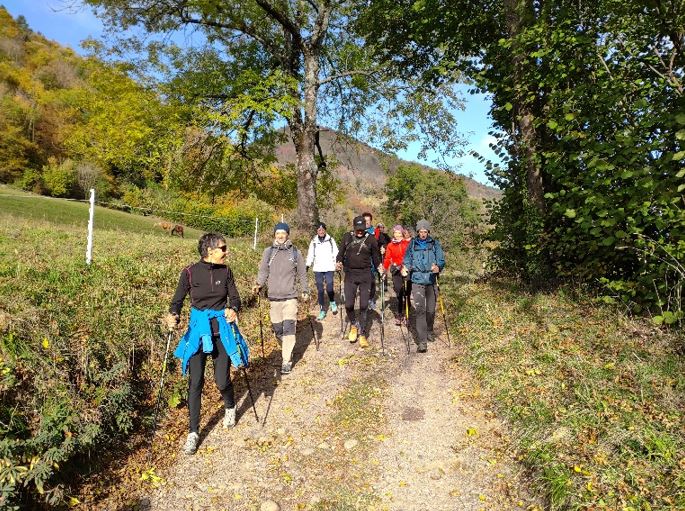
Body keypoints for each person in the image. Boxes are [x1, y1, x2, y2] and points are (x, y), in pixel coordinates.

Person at [164, 233, 242, 455]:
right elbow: (177, 301)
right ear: (210, 251)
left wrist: (233, 310)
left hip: (220, 331)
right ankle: (193, 432)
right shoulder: (189, 272)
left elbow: (235, 299)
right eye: (223, 249)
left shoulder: (226, 271)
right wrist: (173, 315)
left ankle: (229, 406)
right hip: (198, 331)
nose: (227, 252)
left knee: (221, 380)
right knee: (195, 382)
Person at [253, 222, 309, 375]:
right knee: (278, 330)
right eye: (278, 233)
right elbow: (263, 271)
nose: (280, 235)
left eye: (283, 233)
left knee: (289, 328)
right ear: (274, 235)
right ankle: (287, 347)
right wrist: (259, 284)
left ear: (287, 235)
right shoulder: (268, 252)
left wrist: (304, 289)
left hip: (290, 297)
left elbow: (302, 273)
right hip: (273, 298)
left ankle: (286, 360)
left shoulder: (295, 253)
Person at [336, 216, 382, 348]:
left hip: (365, 274)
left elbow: (376, 257)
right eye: (358, 229)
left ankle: (362, 333)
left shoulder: (371, 239)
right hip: (350, 274)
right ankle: (354, 325)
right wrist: (338, 262)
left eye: (362, 229)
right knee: (349, 305)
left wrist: (380, 269)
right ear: (354, 227)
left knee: (363, 306)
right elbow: (340, 253)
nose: (360, 232)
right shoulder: (347, 237)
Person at [401, 220, 445, 353]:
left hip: (431, 279)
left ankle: (429, 330)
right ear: (418, 231)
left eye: (425, 231)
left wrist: (438, 267)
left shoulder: (434, 244)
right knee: (420, 310)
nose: (423, 234)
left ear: (428, 232)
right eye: (421, 231)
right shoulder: (412, 244)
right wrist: (405, 268)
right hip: (417, 280)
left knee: (430, 310)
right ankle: (422, 342)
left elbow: (441, 259)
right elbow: (407, 259)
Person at [305, 222, 339, 320]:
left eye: (322, 230)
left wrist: (337, 263)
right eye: (319, 230)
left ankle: (332, 302)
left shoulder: (331, 240)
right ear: (317, 231)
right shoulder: (314, 241)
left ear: (325, 230)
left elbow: (336, 253)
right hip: (318, 268)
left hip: (329, 267)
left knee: (329, 286)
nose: (321, 231)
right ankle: (322, 310)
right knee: (320, 290)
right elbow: (310, 254)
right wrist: (308, 264)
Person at [383, 225, 411, 326]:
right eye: (396, 233)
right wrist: (384, 270)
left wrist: (407, 266)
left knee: (407, 292)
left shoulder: (407, 244)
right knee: (399, 291)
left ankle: (407, 314)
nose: (398, 235)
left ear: (402, 234)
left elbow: (411, 256)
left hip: (406, 270)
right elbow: (387, 259)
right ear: (393, 234)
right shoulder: (390, 245)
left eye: (399, 233)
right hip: (396, 271)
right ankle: (399, 314)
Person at [362, 212, 379, 310]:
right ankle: (364, 300)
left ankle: (371, 299)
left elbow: (382, 242)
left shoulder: (375, 231)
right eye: (365, 221)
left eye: (368, 221)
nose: (366, 223)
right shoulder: (358, 231)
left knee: (372, 282)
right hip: (361, 263)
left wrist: (383, 247)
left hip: (373, 262)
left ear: (371, 221)